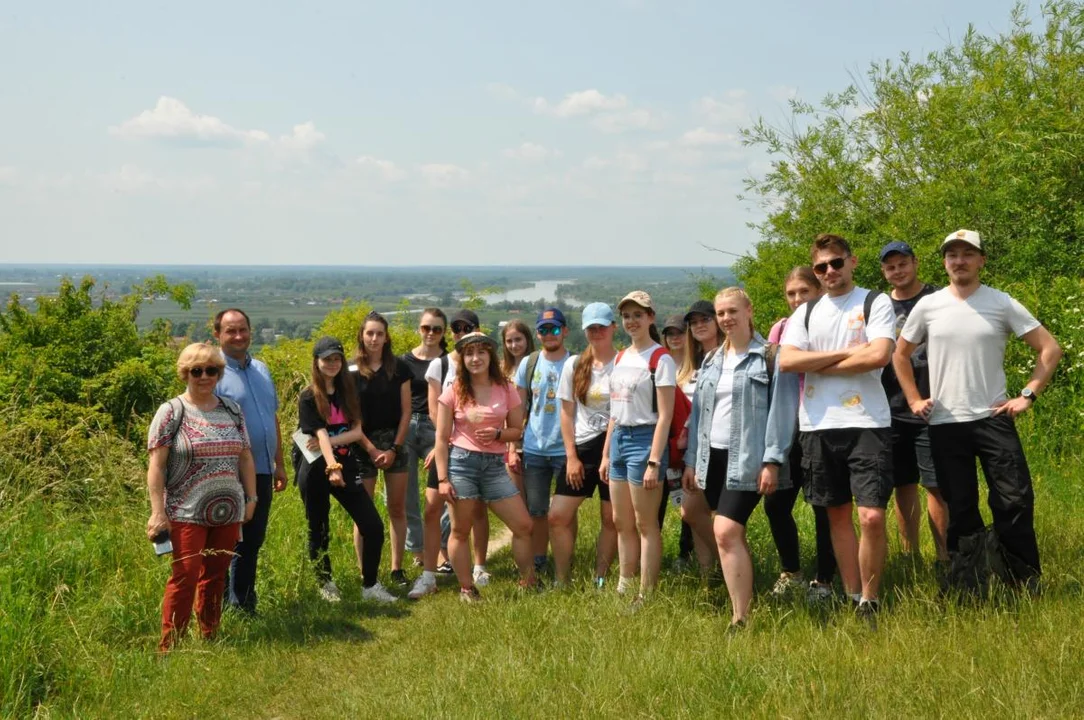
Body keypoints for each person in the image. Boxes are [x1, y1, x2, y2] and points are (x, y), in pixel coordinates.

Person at [894, 229, 1062, 595]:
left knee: (1014, 499)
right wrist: (912, 399)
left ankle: (1022, 580)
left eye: (968, 254)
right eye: (952, 255)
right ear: (944, 262)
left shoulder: (1001, 303)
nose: (959, 261)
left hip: (993, 418)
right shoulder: (929, 305)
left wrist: (1027, 395)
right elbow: (900, 354)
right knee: (961, 506)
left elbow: (1049, 349)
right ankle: (968, 585)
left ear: (981, 260)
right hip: (945, 422)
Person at [779, 234, 897, 620]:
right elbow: (787, 361)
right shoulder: (807, 313)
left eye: (836, 263)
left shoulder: (874, 301)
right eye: (821, 267)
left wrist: (818, 363)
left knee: (872, 516)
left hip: (868, 422)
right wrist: (850, 352)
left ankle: (871, 596)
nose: (829, 271)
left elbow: (879, 355)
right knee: (836, 515)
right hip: (817, 424)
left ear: (852, 261)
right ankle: (853, 597)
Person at [682, 289, 799, 629]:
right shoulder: (711, 360)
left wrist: (772, 460)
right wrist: (691, 460)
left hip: (747, 458)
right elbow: (701, 415)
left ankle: (741, 618)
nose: (726, 318)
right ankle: (735, 588)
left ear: (749, 310)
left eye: (732, 311)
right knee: (719, 528)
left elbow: (783, 412)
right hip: (710, 457)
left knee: (726, 529)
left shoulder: (768, 357)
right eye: (720, 313)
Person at [146, 342, 257, 652]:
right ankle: (171, 646)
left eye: (211, 370)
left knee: (216, 575)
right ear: (185, 373)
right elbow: (156, 465)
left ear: (219, 373)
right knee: (185, 576)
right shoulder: (171, 412)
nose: (205, 376)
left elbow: (245, 457)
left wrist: (252, 498)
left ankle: (210, 635)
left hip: (228, 509)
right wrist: (157, 513)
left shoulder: (231, 410)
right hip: (185, 511)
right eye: (197, 371)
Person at [434, 332, 538, 602]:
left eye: (481, 352)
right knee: (460, 529)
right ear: (462, 359)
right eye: (469, 353)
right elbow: (442, 439)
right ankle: (467, 589)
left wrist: (497, 434)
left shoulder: (506, 388)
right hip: (462, 465)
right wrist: (443, 479)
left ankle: (527, 581)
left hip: (494, 466)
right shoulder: (454, 390)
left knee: (523, 525)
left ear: (491, 355)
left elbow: (517, 430)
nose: (475, 358)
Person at [296, 336, 397, 605]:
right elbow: (318, 433)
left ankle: (370, 585)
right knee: (319, 528)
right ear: (316, 362)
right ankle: (325, 582)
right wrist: (332, 467)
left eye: (337, 358)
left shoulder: (348, 391)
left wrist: (332, 444)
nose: (332, 364)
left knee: (373, 525)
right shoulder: (308, 397)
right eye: (327, 359)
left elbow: (356, 432)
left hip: (345, 464)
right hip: (316, 468)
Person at [765, 268, 837, 602]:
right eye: (791, 293)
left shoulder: (827, 326)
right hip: (788, 430)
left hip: (822, 426)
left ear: (819, 290)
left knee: (824, 507)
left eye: (803, 292)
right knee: (776, 505)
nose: (796, 299)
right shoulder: (780, 329)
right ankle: (791, 572)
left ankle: (825, 581)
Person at [212, 308, 288, 616]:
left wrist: (279, 462)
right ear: (217, 334)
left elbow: (272, 417)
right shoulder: (212, 373)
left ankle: (242, 603)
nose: (238, 336)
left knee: (252, 540)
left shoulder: (262, 369)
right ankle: (214, 609)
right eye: (231, 331)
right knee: (225, 540)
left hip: (262, 469)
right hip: (229, 471)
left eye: (243, 329)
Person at [877, 241, 949, 565]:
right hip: (889, 408)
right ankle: (911, 557)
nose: (898, 270)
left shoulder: (938, 300)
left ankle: (944, 558)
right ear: (883, 271)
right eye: (890, 266)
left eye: (902, 263)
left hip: (933, 406)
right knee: (902, 484)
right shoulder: (879, 307)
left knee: (936, 485)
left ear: (915, 263)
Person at [602, 291, 675, 606]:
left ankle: (645, 593)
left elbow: (666, 415)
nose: (632, 321)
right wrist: (606, 453)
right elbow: (614, 412)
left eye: (638, 315)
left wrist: (654, 461)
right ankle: (624, 584)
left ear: (650, 318)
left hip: (645, 442)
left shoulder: (661, 359)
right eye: (627, 316)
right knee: (621, 520)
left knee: (646, 523)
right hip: (619, 439)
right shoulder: (620, 357)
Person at [412, 310, 491, 597]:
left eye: (466, 327)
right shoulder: (440, 365)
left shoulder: (483, 363)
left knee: (476, 508)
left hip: (477, 450)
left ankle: (479, 566)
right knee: (432, 507)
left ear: (478, 330)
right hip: (448, 446)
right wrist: (442, 443)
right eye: (455, 328)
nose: (459, 332)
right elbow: (434, 410)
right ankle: (429, 574)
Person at [550, 303, 618, 587]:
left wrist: (608, 453)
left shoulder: (624, 361)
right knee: (558, 515)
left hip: (615, 444)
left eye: (602, 326)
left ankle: (600, 578)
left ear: (613, 327)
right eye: (592, 328)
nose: (597, 332)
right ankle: (562, 577)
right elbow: (566, 412)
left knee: (610, 516)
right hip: (582, 445)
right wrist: (571, 456)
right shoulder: (575, 364)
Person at [350, 312, 413, 586]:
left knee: (397, 508)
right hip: (361, 443)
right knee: (363, 511)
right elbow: (351, 416)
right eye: (369, 333)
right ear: (362, 337)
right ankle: (366, 573)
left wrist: (394, 448)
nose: (374, 339)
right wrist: (371, 449)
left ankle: (396, 568)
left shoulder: (400, 369)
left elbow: (407, 411)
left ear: (387, 337)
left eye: (379, 334)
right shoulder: (350, 371)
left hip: (395, 442)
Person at [515, 307, 572, 575]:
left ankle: (566, 556)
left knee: (566, 512)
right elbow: (517, 407)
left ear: (565, 331)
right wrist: (513, 446)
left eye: (555, 329)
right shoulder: (529, 363)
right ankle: (539, 558)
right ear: (537, 334)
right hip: (534, 447)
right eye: (544, 329)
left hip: (566, 448)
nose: (550, 334)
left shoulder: (575, 363)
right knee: (536, 510)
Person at [674, 299, 723, 572]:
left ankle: (729, 564)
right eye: (693, 322)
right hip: (696, 450)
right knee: (693, 513)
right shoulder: (694, 363)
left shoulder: (727, 354)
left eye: (705, 319)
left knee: (712, 514)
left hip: (722, 445)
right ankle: (709, 574)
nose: (699, 325)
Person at [400, 307, 447, 591]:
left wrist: (442, 438)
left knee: (439, 494)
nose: (430, 333)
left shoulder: (448, 361)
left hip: (435, 427)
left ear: (443, 333)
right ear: (419, 328)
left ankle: (442, 550)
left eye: (437, 329)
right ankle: (417, 551)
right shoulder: (403, 361)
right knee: (406, 494)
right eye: (426, 327)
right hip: (406, 427)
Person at [500, 320, 536, 493]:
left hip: (534, 436)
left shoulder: (538, 365)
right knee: (516, 495)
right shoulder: (500, 370)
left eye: (518, 339)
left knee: (535, 498)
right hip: (509, 439)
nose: (514, 345)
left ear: (527, 339)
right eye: (509, 341)